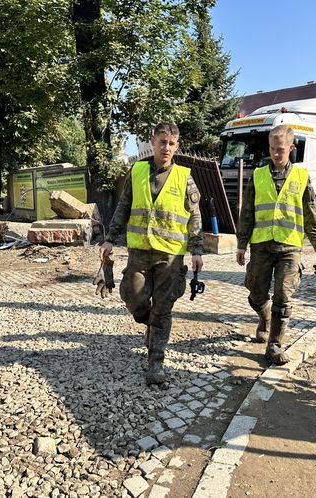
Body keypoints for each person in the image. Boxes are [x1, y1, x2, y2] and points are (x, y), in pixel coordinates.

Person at [98, 122, 204, 386]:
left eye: (171, 143)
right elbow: (123, 206)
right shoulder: (138, 171)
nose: (166, 147)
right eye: (161, 142)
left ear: (176, 146)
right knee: (133, 297)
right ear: (152, 142)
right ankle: (147, 321)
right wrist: (110, 239)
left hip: (170, 256)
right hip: (140, 252)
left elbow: (194, 216)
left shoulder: (184, 176)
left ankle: (155, 362)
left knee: (164, 309)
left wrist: (197, 250)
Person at [236, 124, 316, 365]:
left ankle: (274, 345)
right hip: (261, 246)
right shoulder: (257, 175)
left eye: (281, 150)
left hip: (289, 247)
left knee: (283, 297)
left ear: (291, 148)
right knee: (256, 294)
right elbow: (247, 212)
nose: (276, 154)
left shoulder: (301, 176)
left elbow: (310, 212)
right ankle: (264, 319)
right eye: (273, 149)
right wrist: (241, 244)